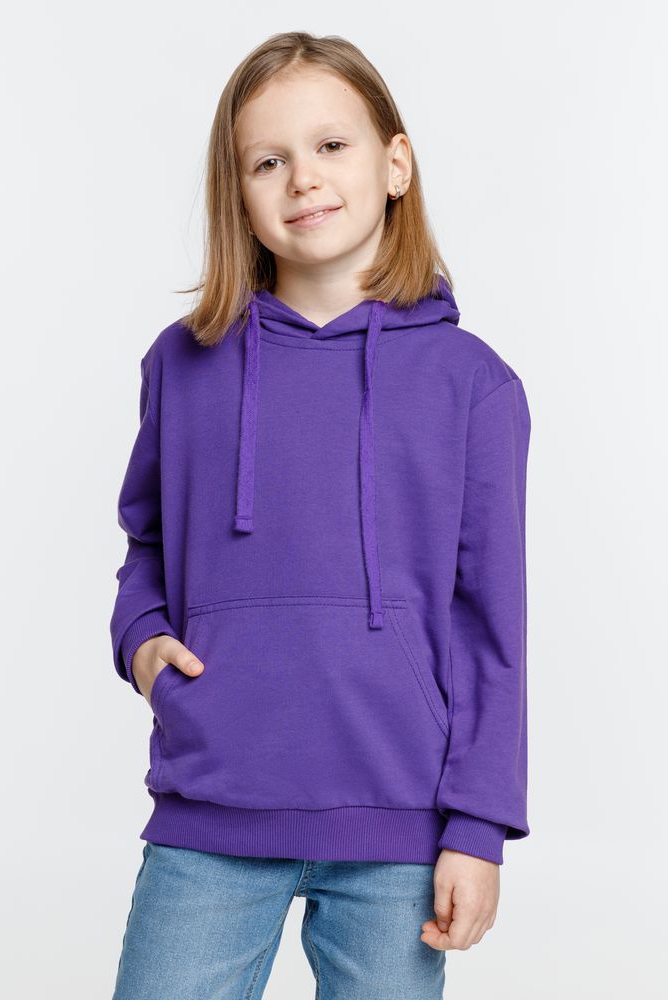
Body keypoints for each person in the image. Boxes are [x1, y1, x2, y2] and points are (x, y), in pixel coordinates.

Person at [108, 30, 532, 1000]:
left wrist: (478, 828)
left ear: (395, 163)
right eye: (268, 161)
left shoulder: (474, 387)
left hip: (399, 824)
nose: (303, 177)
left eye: (331, 146)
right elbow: (148, 544)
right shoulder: (183, 365)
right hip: (212, 803)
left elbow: (492, 630)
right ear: (238, 194)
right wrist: (142, 641)